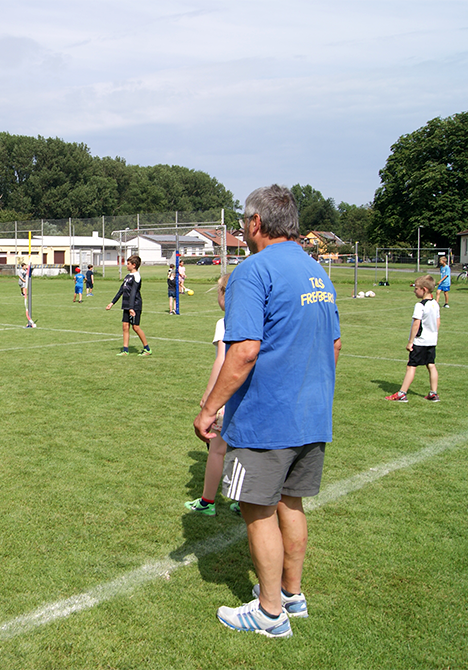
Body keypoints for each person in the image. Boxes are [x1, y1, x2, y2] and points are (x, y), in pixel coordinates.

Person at [194, 185, 341, 639]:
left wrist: (209, 408)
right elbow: (333, 345)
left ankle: (270, 612)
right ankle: (292, 596)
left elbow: (243, 352)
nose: (242, 226)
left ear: (256, 223)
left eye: (243, 219)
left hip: (266, 419)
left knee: (257, 509)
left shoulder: (251, 271)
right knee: (291, 503)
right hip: (311, 414)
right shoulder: (317, 271)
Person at [185, 273, 238, 516]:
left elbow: (222, 361)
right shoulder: (260, 319)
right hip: (252, 396)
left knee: (217, 449)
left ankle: (207, 502)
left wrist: (209, 397)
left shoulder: (225, 322)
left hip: (228, 395)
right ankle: (243, 500)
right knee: (245, 450)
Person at [385, 274, 441, 403]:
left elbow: (416, 324)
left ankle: (402, 393)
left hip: (420, 341)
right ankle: (433, 393)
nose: (414, 291)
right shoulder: (435, 304)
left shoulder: (420, 305)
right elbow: (438, 323)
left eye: (416, 289)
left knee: (411, 366)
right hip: (431, 341)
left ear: (424, 289)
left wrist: (410, 342)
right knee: (431, 365)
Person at [105, 255, 150, 356]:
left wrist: (131, 308)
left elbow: (133, 292)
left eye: (128, 263)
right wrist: (112, 303)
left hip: (135, 305)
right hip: (126, 305)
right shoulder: (127, 276)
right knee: (125, 327)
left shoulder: (137, 277)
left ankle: (147, 349)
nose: (126, 265)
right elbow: (121, 290)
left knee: (136, 327)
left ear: (134, 265)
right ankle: (125, 350)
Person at [18, 262, 35, 327]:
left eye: (25, 266)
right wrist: (23, 279)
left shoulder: (25, 270)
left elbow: (28, 273)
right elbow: (20, 276)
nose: (25, 267)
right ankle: (22, 293)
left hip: (25, 281)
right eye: (24, 266)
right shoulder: (20, 271)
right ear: (22, 266)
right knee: (22, 287)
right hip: (21, 280)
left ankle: (24, 293)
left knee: (24, 287)